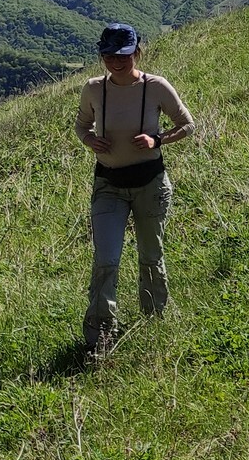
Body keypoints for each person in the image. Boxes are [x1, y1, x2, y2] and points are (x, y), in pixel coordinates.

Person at [74, 22, 193, 355]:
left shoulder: (155, 87)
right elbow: (81, 124)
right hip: (109, 184)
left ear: (137, 52)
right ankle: (100, 338)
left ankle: (154, 322)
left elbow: (187, 125)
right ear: (101, 55)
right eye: (109, 55)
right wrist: (89, 140)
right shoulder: (93, 88)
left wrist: (157, 139)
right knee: (105, 259)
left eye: (124, 54)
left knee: (150, 256)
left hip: (150, 184)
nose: (116, 61)